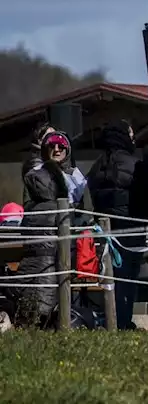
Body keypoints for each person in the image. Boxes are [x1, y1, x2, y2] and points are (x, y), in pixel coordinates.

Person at [10, 132, 76, 325]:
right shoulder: (41, 183)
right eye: (52, 146)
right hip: (54, 257)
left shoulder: (73, 177)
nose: (57, 150)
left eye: (61, 146)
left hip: (38, 259)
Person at [86, 120, 139, 329]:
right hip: (130, 226)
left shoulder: (96, 167)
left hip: (105, 229)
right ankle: (124, 320)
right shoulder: (134, 164)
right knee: (129, 277)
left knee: (111, 276)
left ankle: (112, 319)